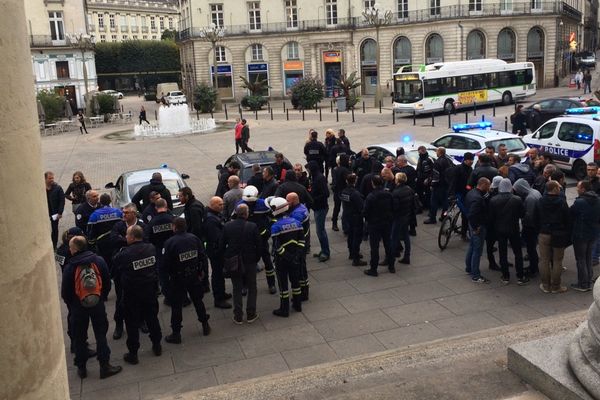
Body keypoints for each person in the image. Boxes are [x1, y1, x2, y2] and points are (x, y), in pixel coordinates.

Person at [61, 236, 122, 379]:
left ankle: (81, 368)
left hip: (78, 306)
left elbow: (65, 292)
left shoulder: (70, 267)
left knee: (79, 337)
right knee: (101, 335)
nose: (69, 249)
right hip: (97, 303)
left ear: (75, 249)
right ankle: (105, 366)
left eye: (70, 247)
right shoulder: (98, 261)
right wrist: (101, 296)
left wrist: (73, 304)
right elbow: (107, 281)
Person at [112, 225, 163, 364]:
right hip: (150, 291)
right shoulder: (151, 248)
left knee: (132, 323)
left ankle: (133, 353)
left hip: (132, 294)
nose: (126, 237)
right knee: (152, 319)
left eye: (127, 235)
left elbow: (115, 268)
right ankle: (157, 345)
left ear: (133, 237)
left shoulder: (124, 254)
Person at [162, 217, 211, 344]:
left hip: (177, 279)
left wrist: (166, 282)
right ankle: (205, 325)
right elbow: (202, 257)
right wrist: (203, 275)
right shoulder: (194, 238)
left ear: (174, 227)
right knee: (198, 301)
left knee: (177, 306)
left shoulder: (170, 243)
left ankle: (176, 333)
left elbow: (165, 264)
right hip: (194, 275)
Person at [219, 204, 262, 324]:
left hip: (234, 261)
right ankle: (251, 314)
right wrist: (256, 258)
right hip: (250, 261)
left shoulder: (227, 226)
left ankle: (238, 315)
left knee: (237, 288)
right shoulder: (252, 226)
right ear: (246, 213)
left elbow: (221, 245)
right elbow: (259, 245)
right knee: (252, 287)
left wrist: (225, 259)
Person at [238, 185, 277, 294]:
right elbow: (234, 220)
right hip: (247, 240)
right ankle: (245, 285)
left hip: (262, 238)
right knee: (245, 263)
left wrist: (269, 229)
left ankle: (271, 284)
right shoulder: (240, 205)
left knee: (267, 262)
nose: (250, 204)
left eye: (252, 202)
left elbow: (273, 216)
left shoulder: (263, 204)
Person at [489, 179, 528, 285]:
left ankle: (505, 276)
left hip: (500, 230)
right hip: (513, 229)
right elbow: (522, 214)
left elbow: (491, 217)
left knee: (502, 253)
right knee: (518, 253)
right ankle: (520, 276)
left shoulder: (493, 200)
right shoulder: (517, 199)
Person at [269, 197, 304, 317]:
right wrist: (296, 255)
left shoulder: (275, 227)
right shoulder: (297, 222)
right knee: (295, 282)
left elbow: (277, 246)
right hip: (296, 258)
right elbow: (302, 241)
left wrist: (287, 257)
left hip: (282, 261)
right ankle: (298, 305)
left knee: (283, 285)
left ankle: (284, 309)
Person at [534, 180, 571, 294]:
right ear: (555, 189)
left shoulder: (540, 201)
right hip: (559, 233)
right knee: (557, 261)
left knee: (544, 260)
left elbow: (535, 217)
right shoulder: (562, 202)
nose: (560, 188)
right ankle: (556, 286)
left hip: (544, 233)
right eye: (558, 187)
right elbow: (567, 219)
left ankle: (546, 285)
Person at [570, 181, 600, 292]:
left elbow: (571, 214)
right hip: (593, 233)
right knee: (588, 257)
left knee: (581, 259)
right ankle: (588, 279)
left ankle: (583, 284)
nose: (577, 189)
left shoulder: (580, 202)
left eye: (578, 187)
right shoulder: (598, 200)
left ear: (583, 189)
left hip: (580, 234)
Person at [202, 196, 232, 309]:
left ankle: (222, 293)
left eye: (222, 204)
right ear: (212, 205)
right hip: (215, 251)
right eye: (219, 204)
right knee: (217, 275)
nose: (222, 206)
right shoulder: (211, 219)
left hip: (215, 249)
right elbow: (216, 237)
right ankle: (219, 299)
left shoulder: (213, 215)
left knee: (219, 274)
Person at [144, 199, 175, 305]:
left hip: (160, 252)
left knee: (163, 275)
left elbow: (148, 239)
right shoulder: (172, 219)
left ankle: (168, 297)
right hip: (173, 251)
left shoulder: (152, 222)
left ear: (156, 208)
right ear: (166, 206)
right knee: (176, 272)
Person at [363, 175, 394, 277]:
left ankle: (373, 269)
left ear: (373, 184)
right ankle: (391, 265)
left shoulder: (371, 196)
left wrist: (368, 219)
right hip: (386, 222)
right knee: (388, 244)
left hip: (374, 224)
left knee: (374, 247)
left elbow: (366, 212)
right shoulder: (388, 194)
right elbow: (393, 207)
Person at [513, 179, 541, 278]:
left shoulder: (530, 199)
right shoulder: (535, 192)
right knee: (531, 248)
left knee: (531, 249)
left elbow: (528, 215)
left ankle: (533, 269)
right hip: (535, 226)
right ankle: (533, 267)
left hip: (531, 227)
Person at [465, 177, 491, 283]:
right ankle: (476, 275)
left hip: (472, 225)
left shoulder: (471, 193)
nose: (489, 188)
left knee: (472, 247)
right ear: (484, 185)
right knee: (477, 250)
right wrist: (476, 227)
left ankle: (469, 268)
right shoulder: (478, 199)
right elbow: (472, 214)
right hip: (478, 226)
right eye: (488, 186)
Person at [286, 192, 311, 300]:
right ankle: (304, 290)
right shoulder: (301, 208)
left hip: (299, 245)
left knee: (300, 269)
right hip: (303, 242)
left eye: (287, 201)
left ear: (292, 201)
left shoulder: (297, 213)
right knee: (302, 268)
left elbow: (292, 227)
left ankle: (303, 293)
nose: (286, 203)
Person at [306, 160, 330, 262]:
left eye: (308, 169)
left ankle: (325, 252)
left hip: (321, 208)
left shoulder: (319, 178)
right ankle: (323, 250)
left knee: (320, 231)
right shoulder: (315, 177)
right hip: (317, 207)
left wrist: (313, 199)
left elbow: (326, 194)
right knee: (320, 231)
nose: (307, 171)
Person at [447, 152, 474, 239]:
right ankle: (464, 233)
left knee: (465, 213)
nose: (471, 162)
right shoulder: (458, 169)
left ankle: (463, 232)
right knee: (466, 213)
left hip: (466, 193)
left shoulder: (470, 169)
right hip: (458, 193)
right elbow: (453, 182)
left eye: (472, 160)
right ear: (465, 160)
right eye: (470, 160)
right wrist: (452, 194)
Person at [341, 174, 366, 266]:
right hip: (356, 217)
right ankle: (356, 258)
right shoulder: (355, 193)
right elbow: (361, 206)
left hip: (348, 216)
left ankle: (351, 253)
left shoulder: (344, 192)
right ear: (355, 181)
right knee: (357, 237)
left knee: (351, 236)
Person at [424, 147, 453, 224]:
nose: (436, 153)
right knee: (445, 203)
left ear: (440, 152)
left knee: (434, 202)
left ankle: (432, 218)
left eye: (437, 151)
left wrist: (432, 185)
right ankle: (444, 216)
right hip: (446, 185)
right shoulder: (448, 160)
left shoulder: (438, 162)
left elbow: (436, 175)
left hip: (438, 186)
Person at [391, 173, 414, 265]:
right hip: (406, 215)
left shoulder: (396, 193)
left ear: (397, 180)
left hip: (398, 217)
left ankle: (391, 258)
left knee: (393, 237)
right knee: (406, 237)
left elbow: (395, 207)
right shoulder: (409, 189)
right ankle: (407, 256)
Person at [331, 154, 351, 232]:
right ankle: (345, 226)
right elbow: (348, 181)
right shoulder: (345, 170)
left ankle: (334, 223)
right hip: (344, 191)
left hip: (337, 191)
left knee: (337, 207)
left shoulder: (335, 169)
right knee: (346, 208)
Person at [45, 171, 65, 249]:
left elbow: (62, 200)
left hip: (54, 212)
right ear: (45, 179)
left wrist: (60, 212)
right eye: (50, 178)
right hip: (45, 213)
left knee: (55, 229)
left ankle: (54, 245)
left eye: (52, 178)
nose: (52, 180)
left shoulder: (58, 188)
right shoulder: (41, 188)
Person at [416, 145, 434, 210]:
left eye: (420, 152)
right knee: (419, 192)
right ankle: (423, 205)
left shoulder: (429, 159)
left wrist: (428, 179)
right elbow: (418, 168)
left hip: (426, 179)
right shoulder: (420, 158)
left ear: (423, 151)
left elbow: (433, 170)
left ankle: (429, 206)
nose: (419, 154)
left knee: (428, 193)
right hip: (420, 179)